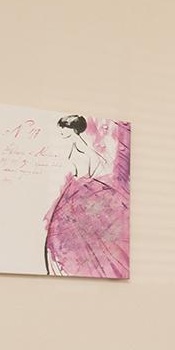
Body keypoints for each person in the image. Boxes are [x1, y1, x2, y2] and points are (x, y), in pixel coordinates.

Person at [43, 115, 131, 278]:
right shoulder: (74, 148)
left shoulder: (83, 151)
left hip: (80, 196)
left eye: (65, 128)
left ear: (73, 130)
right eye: (62, 128)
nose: (62, 131)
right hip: (75, 193)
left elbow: (86, 176)